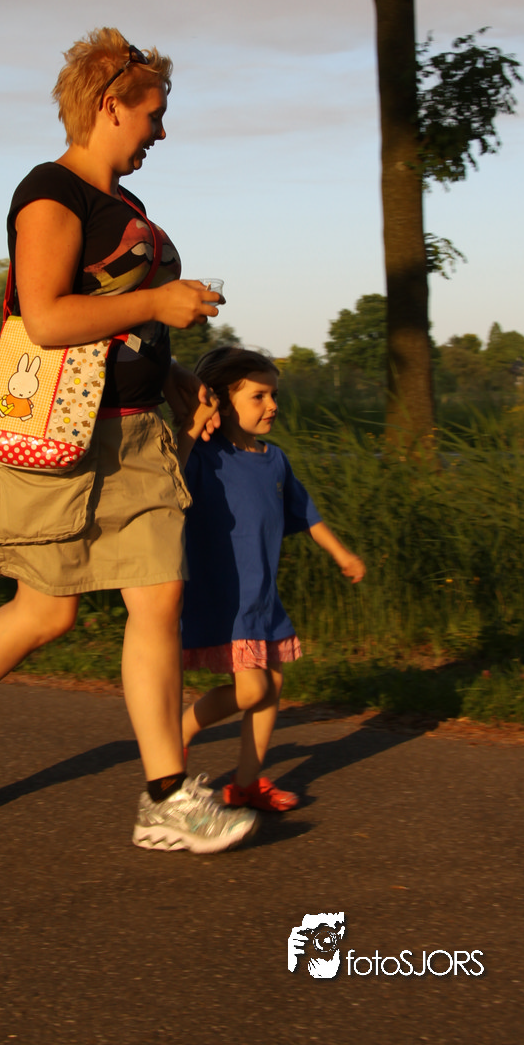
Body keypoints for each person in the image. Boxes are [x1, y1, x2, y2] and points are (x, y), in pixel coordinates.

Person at [0, 28, 259, 854]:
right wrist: (156, 303)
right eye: (153, 114)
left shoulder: (127, 208)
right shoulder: (49, 193)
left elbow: (120, 328)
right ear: (110, 105)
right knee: (46, 613)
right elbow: (49, 316)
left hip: (139, 435)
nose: (161, 131)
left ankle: (166, 795)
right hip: (61, 437)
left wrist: (177, 377)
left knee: (158, 598)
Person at [177, 345, 366, 811]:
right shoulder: (205, 457)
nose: (272, 405)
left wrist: (342, 554)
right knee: (253, 689)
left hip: (263, 596)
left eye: (274, 395)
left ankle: (246, 784)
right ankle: (179, 731)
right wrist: (194, 424)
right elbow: (169, 477)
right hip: (225, 597)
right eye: (258, 396)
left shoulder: (275, 460)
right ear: (222, 402)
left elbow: (306, 514)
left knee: (272, 687)